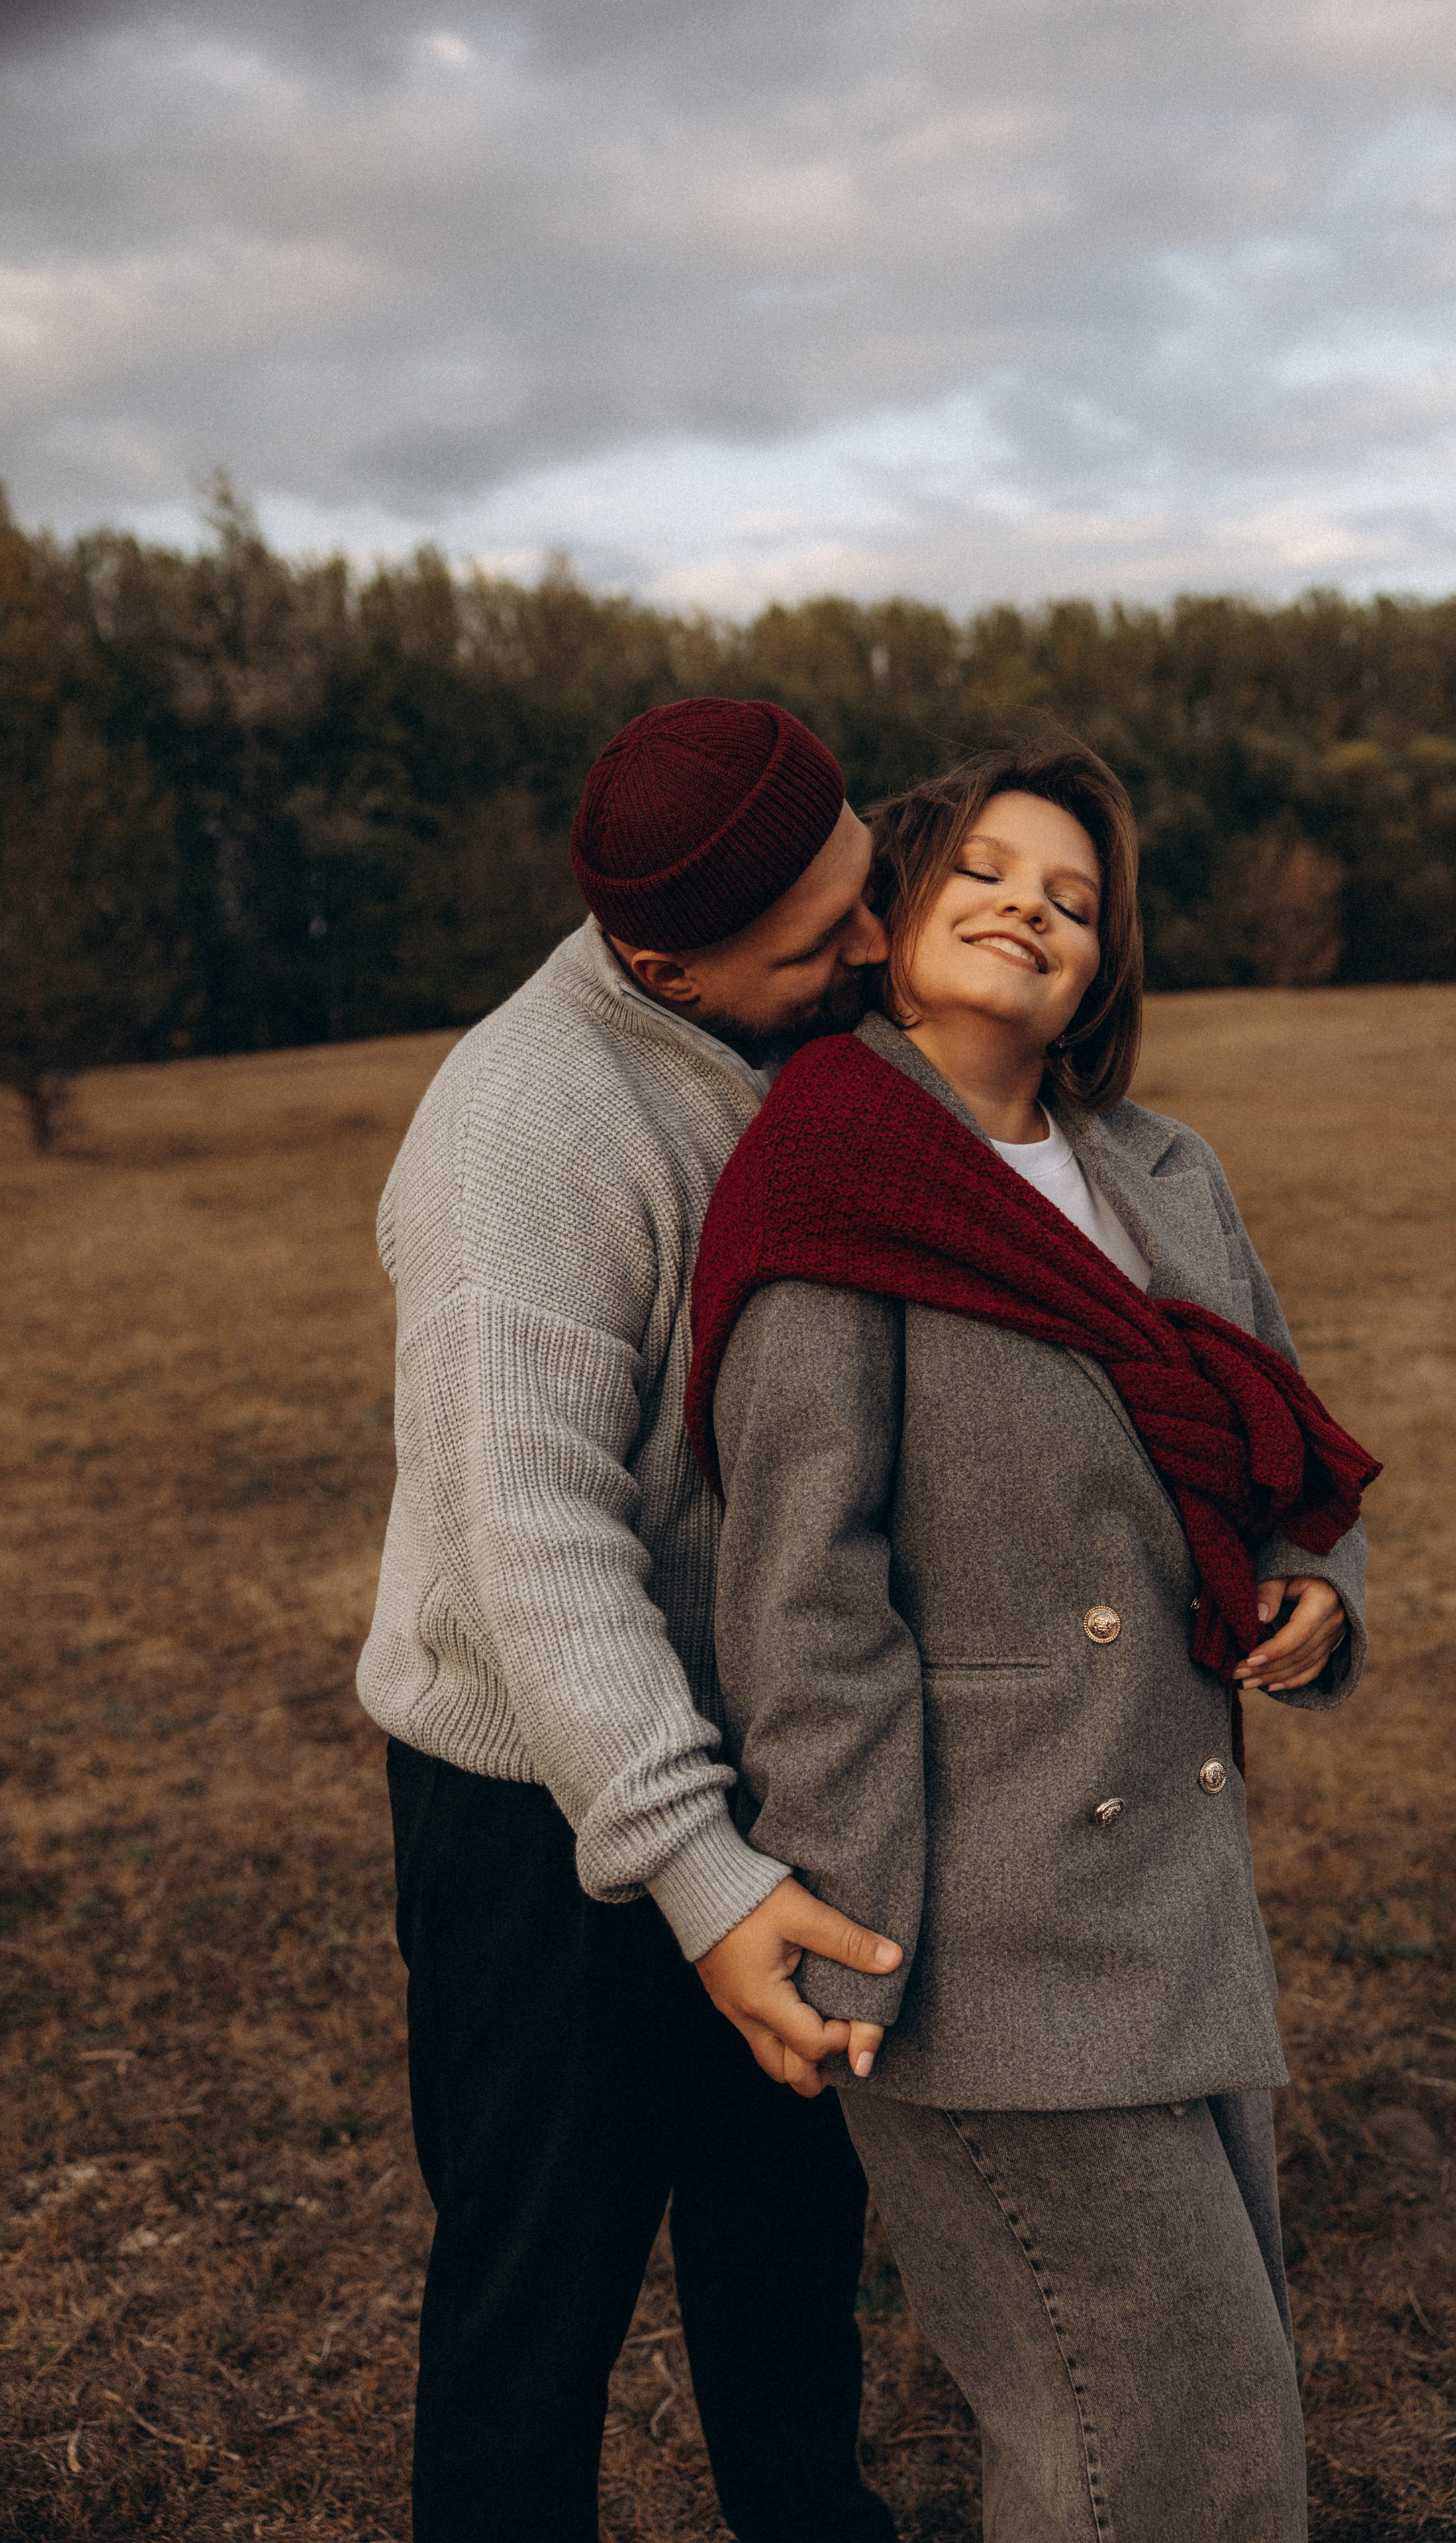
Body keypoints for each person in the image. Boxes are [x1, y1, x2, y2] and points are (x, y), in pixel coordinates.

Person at [685, 740, 1381, 2543]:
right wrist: (846, 1948)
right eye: (987, 870)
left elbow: (1283, 1443)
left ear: (1104, 962)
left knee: (1208, 2425)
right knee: (1156, 2446)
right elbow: (800, 1597)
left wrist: (1313, 1578)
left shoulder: (1162, 1167)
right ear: (891, 916)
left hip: (1181, 1900)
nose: (1032, 909)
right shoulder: (827, 1170)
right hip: (983, 1937)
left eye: (1075, 897)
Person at [357, 697, 906, 2543]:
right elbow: (530, 1543)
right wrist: (698, 1868)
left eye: (869, 890)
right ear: (656, 962)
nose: (877, 949)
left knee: (789, 2253)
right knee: (538, 2293)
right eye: (823, 942)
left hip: (780, 1765)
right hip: (533, 1815)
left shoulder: (812, 1027)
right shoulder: (521, 1132)